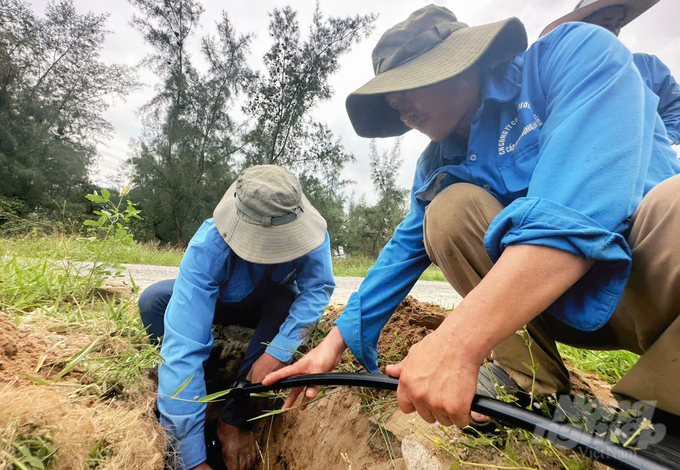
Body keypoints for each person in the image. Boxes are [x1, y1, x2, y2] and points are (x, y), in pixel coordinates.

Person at [264, 4, 680, 434]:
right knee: (448, 211)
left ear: (462, 63)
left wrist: (455, 344)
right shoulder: (439, 164)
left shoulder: (571, 56)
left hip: (649, 287)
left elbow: (574, 215)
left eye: (407, 86)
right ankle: (530, 384)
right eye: (391, 97)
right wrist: (330, 347)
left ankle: (666, 414)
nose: (397, 105)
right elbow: (398, 256)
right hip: (549, 305)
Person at [138, 165, 335, 470]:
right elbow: (183, 347)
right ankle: (201, 401)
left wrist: (277, 352)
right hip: (218, 301)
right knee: (153, 301)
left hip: (267, 305)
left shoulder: (312, 237)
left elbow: (316, 289)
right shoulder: (208, 246)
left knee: (286, 300)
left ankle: (234, 417)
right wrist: (190, 461)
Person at [542, 0, 680, 145]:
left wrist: (662, 143)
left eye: (618, 24)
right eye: (605, 24)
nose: (613, 32)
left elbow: (676, 105)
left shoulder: (646, 66)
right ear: (581, 30)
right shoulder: (562, 81)